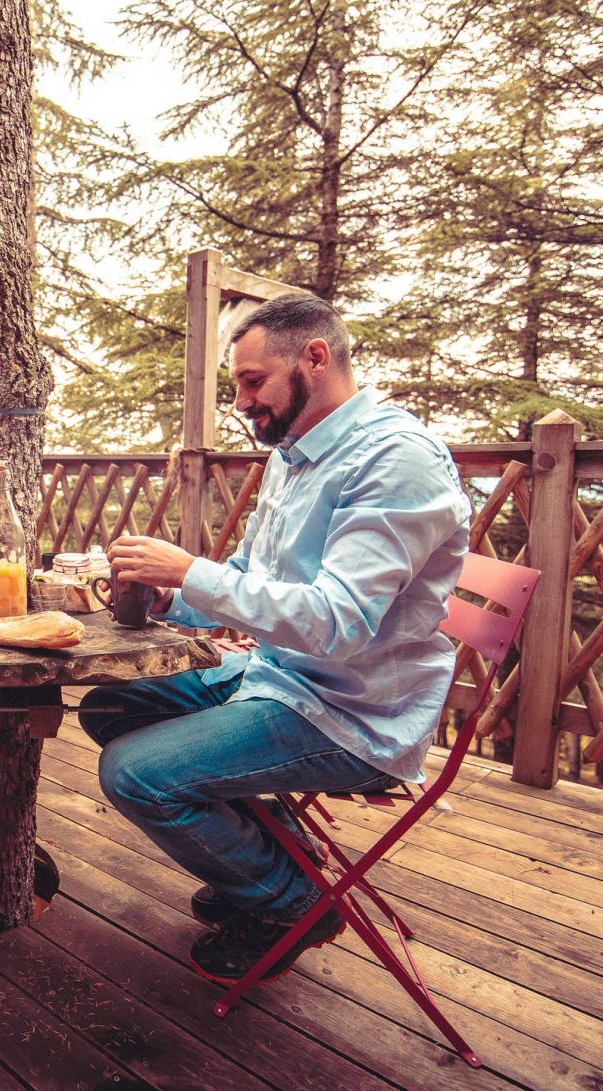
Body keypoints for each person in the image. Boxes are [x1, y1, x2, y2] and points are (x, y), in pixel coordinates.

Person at [79, 293, 470, 986]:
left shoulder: (394, 460)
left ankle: (290, 900)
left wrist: (190, 570)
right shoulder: (296, 452)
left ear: (314, 358)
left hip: (352, 713)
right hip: (278, 675)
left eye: (252, 381)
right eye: (237, 384)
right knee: (111, 704)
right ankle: (261, 860)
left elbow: (335, 622)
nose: (241, 402)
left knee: (134, 773)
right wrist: (174, 593)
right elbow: (250, 578)